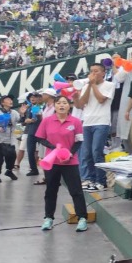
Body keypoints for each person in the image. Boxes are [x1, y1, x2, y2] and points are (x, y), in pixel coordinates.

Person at [35, 95, 89, 232]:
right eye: (59, 103)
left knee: (76, 190)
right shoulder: (47, 121)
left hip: (70, 162)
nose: (61, 105)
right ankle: (48, 218)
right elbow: (40, 138)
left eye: (64, 103)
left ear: (69, 105)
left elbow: (79, 140)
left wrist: (70, 153)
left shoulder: (75, 122)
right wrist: (53, 148)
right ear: (55, 105)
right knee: (51, 191)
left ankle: (82, 218)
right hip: (52, 162)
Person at [75, 62, 114, 192]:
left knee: (96, 151)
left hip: (101, 122)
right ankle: (89, 179)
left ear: (103, 73)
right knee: (86, 153)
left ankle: (101, 181)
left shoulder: (109, 85)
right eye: (91, 71)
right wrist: (86, 88)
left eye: (96, 71)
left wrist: (92, 85)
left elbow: (101, 99)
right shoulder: (87, 86)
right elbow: (81, 104)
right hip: (87, 122)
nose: (93, 74)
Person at [0, 95, 20, 183]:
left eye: (11, 99)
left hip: (10, 140)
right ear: (2, 103)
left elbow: (20, 122)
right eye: (8, 99)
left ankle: (9, 171)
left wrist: (23, 114)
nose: (10, 101)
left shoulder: (14, 112)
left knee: (12, 156)